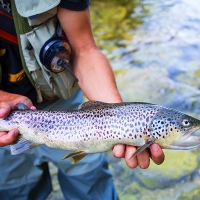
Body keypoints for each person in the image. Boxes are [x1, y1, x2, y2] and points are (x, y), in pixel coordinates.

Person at [0, 0, 165, 199]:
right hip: (7, 116)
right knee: (17, 192)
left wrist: (119, 115)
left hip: (69, 109)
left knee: (91, 186)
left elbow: (84, 50)